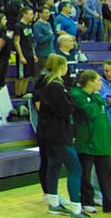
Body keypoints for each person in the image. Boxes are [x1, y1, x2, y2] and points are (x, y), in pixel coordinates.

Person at [39, 54, 87, 217]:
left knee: (54, 164)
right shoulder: (56, 86)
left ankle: (53, 202)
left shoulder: (49, 83)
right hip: (58, 134)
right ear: (62, 67)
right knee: (75, 167)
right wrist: (71, 102)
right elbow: (66, 109)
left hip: (50, 133)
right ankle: (75, 207)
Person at [71, 70, 111, 214]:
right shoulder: (77, 95)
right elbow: (91, 112)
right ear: (90, 82)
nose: (101, 83)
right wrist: (95, 98)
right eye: (98, 81)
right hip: (86, 142)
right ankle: (87, 201)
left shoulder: (97, 96)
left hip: (102, 142)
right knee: (85, 174)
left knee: (106, 174)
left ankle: (108, 202)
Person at [14, 7, 37, 97]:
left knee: (27, 76)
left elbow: (31, 41)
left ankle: (24, 94)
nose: (32, 16)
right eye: (30, 14)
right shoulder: (18, 26)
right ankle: (18, 95)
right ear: (24, 14)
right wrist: (21, 56)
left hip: (30, 53)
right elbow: (16, 42)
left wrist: (34, 54)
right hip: (22, 53)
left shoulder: (29, 26)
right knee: (21, 76)